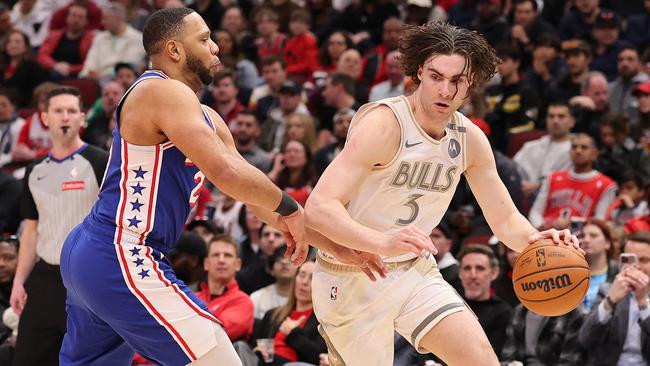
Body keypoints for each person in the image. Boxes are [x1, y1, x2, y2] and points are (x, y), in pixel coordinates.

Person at [304, 22, 579, 366]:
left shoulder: (469, 139)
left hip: (413, 271)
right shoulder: (385, 125)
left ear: (471, 84)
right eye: (436, 77)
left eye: (457, 81)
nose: (445, 90)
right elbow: (318, 208)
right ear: (419, 73)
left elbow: (506, 219)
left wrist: (538, 240)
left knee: (481, 360)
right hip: (352, 274)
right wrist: (382, 242)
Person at [58, 8, 308, 365]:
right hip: (123, 250)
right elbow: (227, 173)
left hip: (94, 250)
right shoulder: (161, 90)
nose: (217, 48)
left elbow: (252, 194)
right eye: (205, 39)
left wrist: (335, 243)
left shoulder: (208, 119)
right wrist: (291, 207)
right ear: (174, 50)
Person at [11, 86, 108, 366]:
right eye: (58, 111)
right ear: (45, 118)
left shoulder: (99, 162)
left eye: (71, 111)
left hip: (85, 280)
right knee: (27, 359)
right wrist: (19, 281)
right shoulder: (34, 170)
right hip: (44, 278)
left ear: (82, 117)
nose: (65, 117)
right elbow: (31, 230)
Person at [578, 230, 650, 366]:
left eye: (644, 260)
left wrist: (643, 304)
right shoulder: (608, 290)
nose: (637, 266)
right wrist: (610, 300)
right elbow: (585, 339)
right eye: (630, 259)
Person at [252, 260, 326, 366]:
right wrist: (264, 352)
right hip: (265, 362)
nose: (304, 282)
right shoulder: (272, 314)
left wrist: (292, 332)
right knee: (240, 347)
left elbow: (318, 356)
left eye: (312, 278)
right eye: (301, 275)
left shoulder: (323, 321)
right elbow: (257, 344)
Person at [196, 234, 253, 342]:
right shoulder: (192, 298)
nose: (221, 260)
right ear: (206, 263)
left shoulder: (243, 301)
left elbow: (219, 333)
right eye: (216, 255)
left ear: (238, 264)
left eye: (227, 255)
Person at [457, 244, 511, 356]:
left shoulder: (503, 312)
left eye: (480, 268)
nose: (473, 275)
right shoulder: (449, 307)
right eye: (467, 268)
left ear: (494, 273)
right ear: (460, 273)